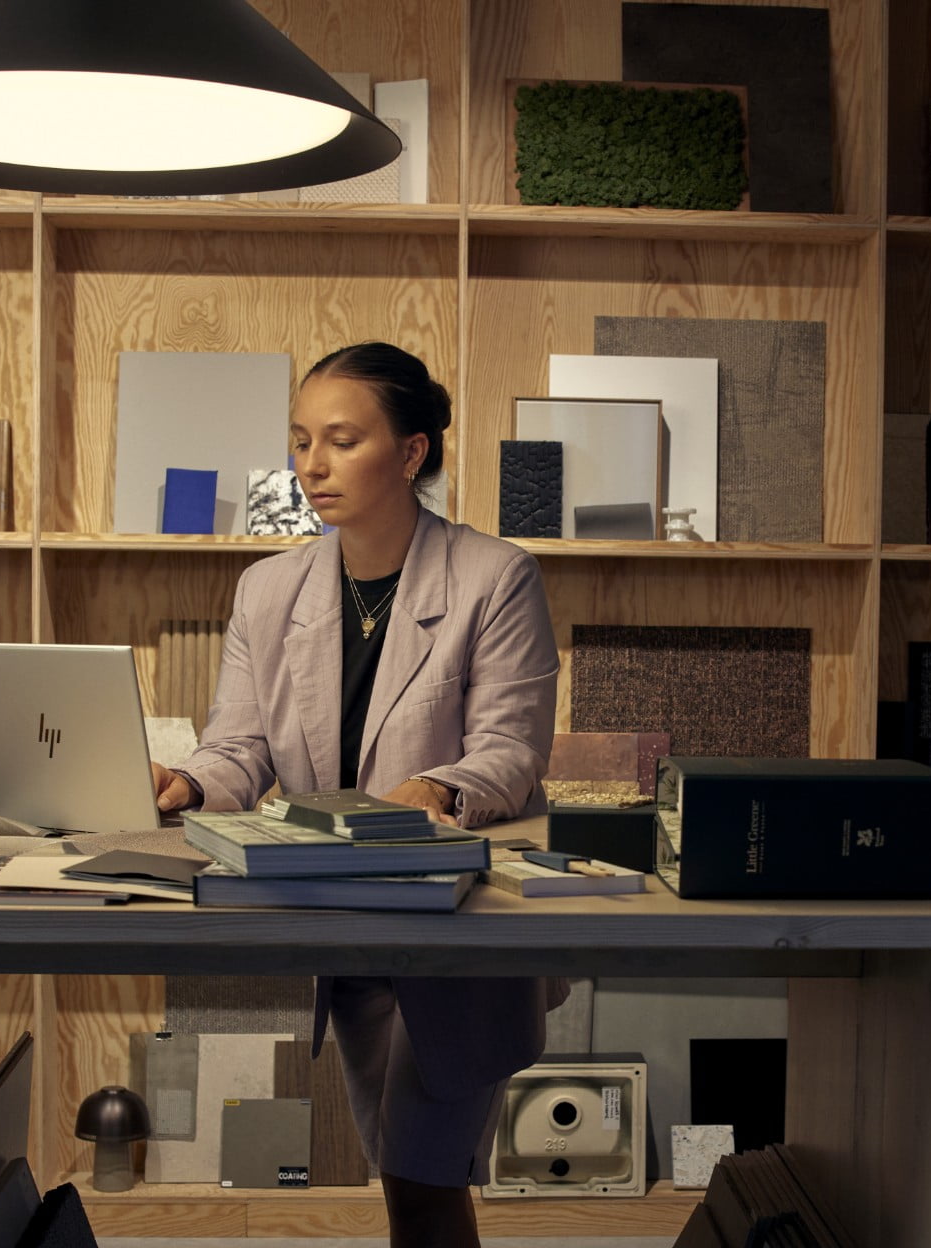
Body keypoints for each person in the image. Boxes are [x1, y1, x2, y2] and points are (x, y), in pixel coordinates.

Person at [152, 343, 563, 1248]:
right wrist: (186, 781)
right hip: (341, 926)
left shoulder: (495, 578)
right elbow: (241, 747)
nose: (312, 465)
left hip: (456, 931)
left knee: (423, 1183)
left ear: (412, 453)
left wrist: (436, 787)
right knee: (405, 1183)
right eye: (301, 441)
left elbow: (510, 751)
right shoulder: (269, 589)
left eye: (340, 440)